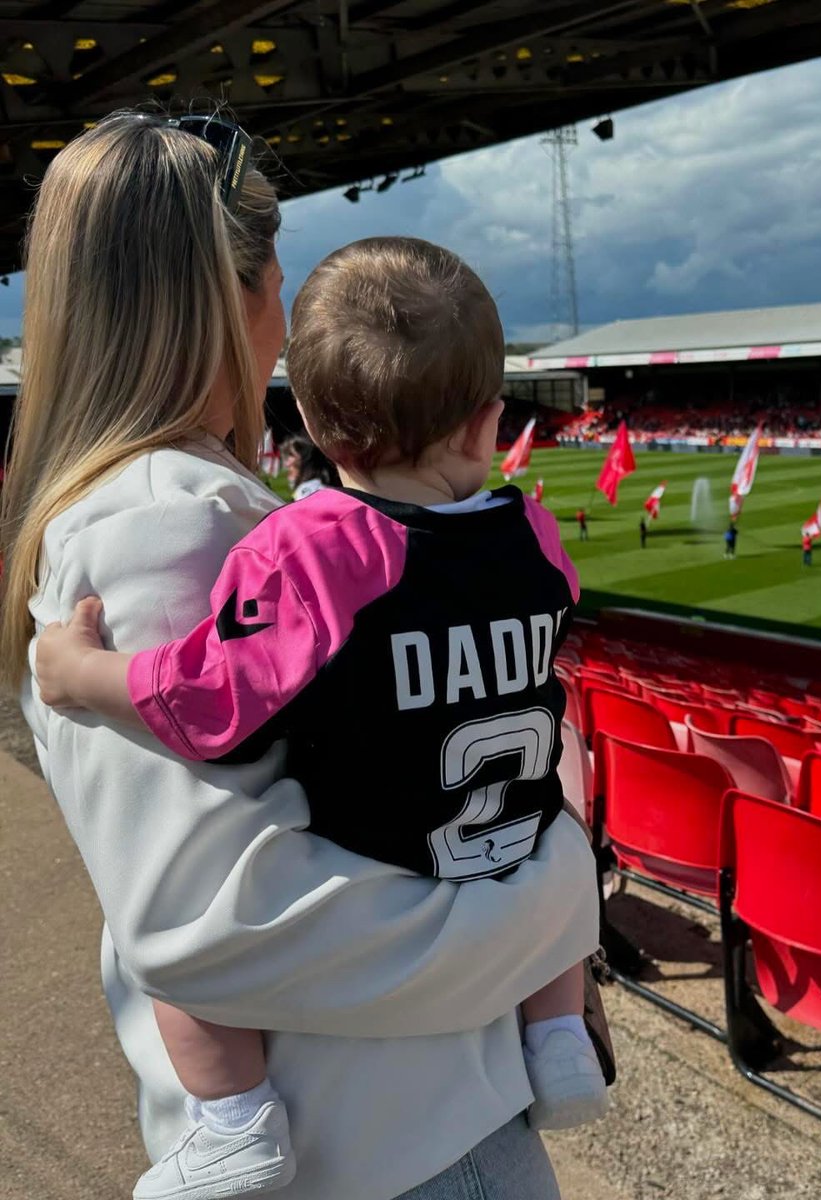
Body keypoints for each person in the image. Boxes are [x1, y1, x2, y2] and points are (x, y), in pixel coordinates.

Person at [1, 114, 596, 1200]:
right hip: (403, 1150)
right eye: (276, 281)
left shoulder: (184, 507)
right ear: (224, 299)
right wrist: (564, 878)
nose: (283, 325)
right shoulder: (167, 523)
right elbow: (221, 926)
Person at [281, 432, 336, 499]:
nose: (287, 463)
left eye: (291, 455)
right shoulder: (307, 486)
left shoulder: (309, 489)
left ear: (304, 459)